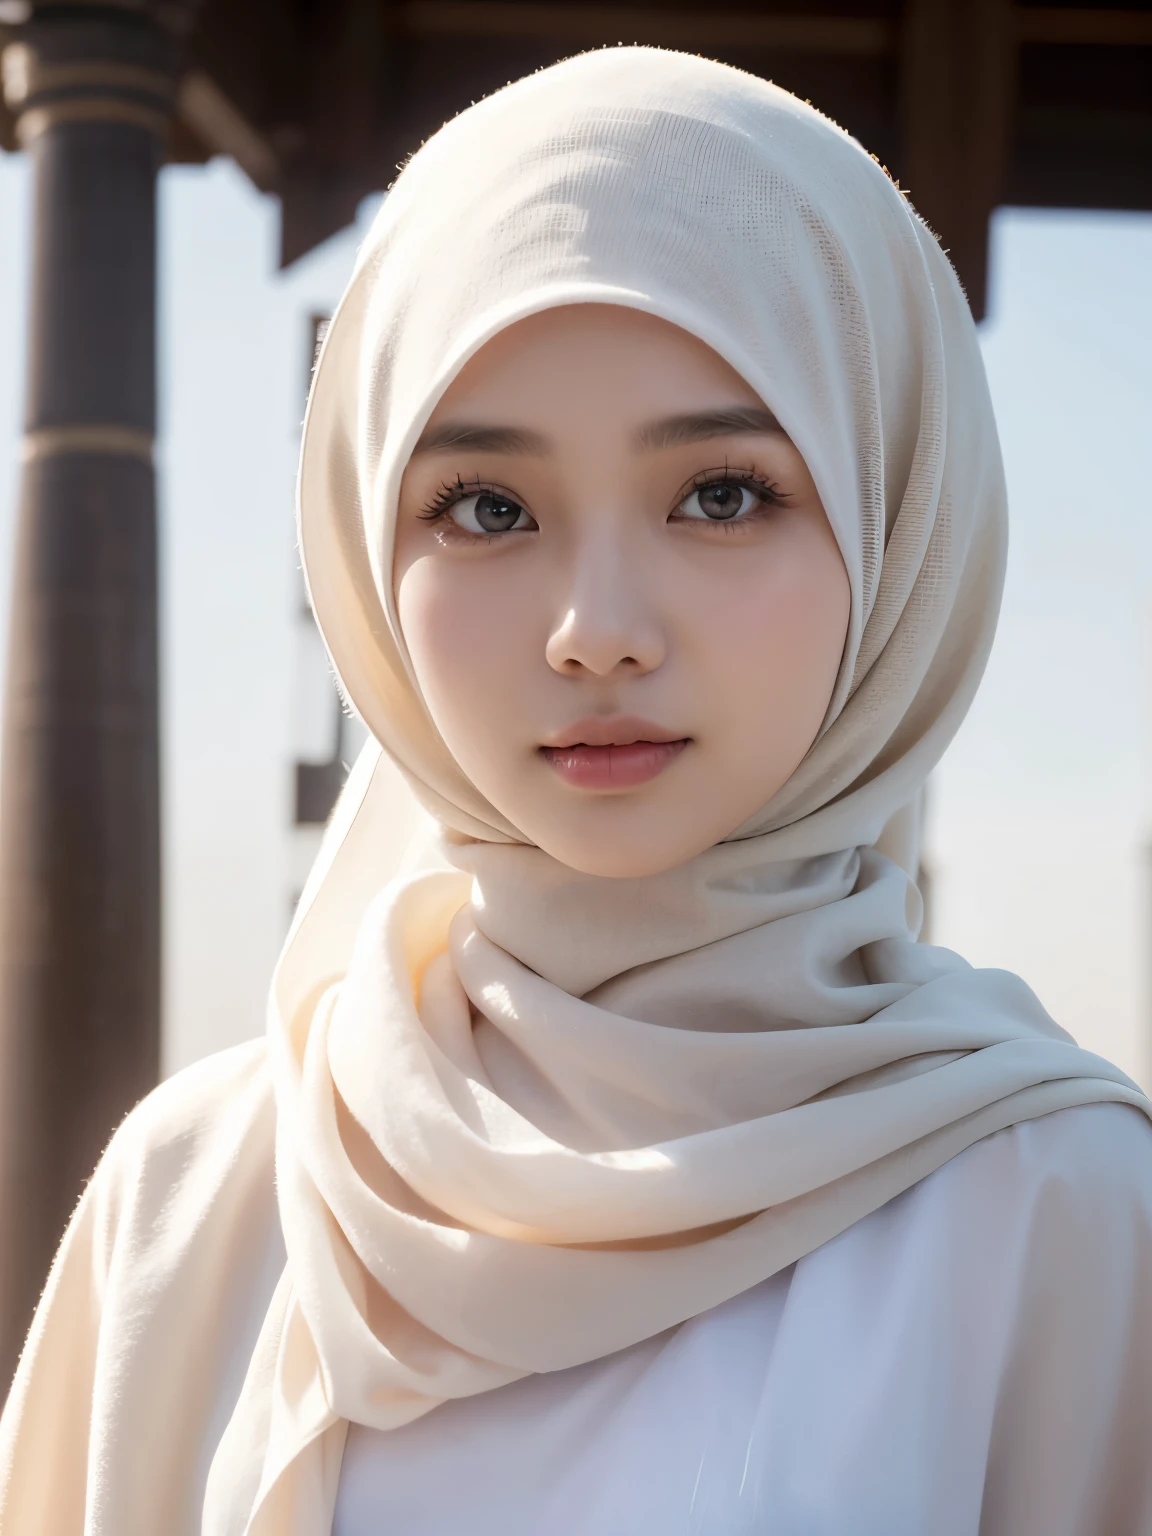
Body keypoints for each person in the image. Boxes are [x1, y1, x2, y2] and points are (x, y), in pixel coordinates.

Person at [2, 45, 1151, 1536]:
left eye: (722, 494)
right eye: (486, 508)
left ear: (898, 518)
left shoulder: (1058, 1214)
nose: (594, 627)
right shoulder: (201, 1199)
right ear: (364, 557)